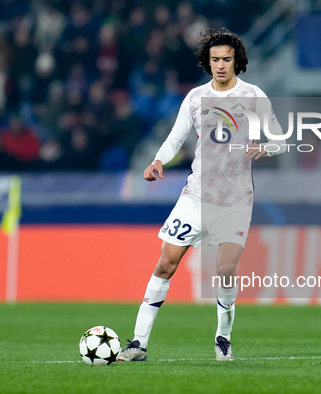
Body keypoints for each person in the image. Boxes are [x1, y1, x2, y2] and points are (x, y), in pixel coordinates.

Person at [116, 27, 284, 362]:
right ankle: (138, 344)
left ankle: (223, 338)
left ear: (237, 61)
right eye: (215, 59)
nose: (221, 65)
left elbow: (281, 140)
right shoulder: (195, 98)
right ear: (207, 62)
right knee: (165, 263)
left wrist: (263, 148)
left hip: (235, 200)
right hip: (195, 198)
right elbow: (176, 137)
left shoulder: (254, 96)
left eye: (227, 59)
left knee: (224, 269)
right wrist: (158, 160)